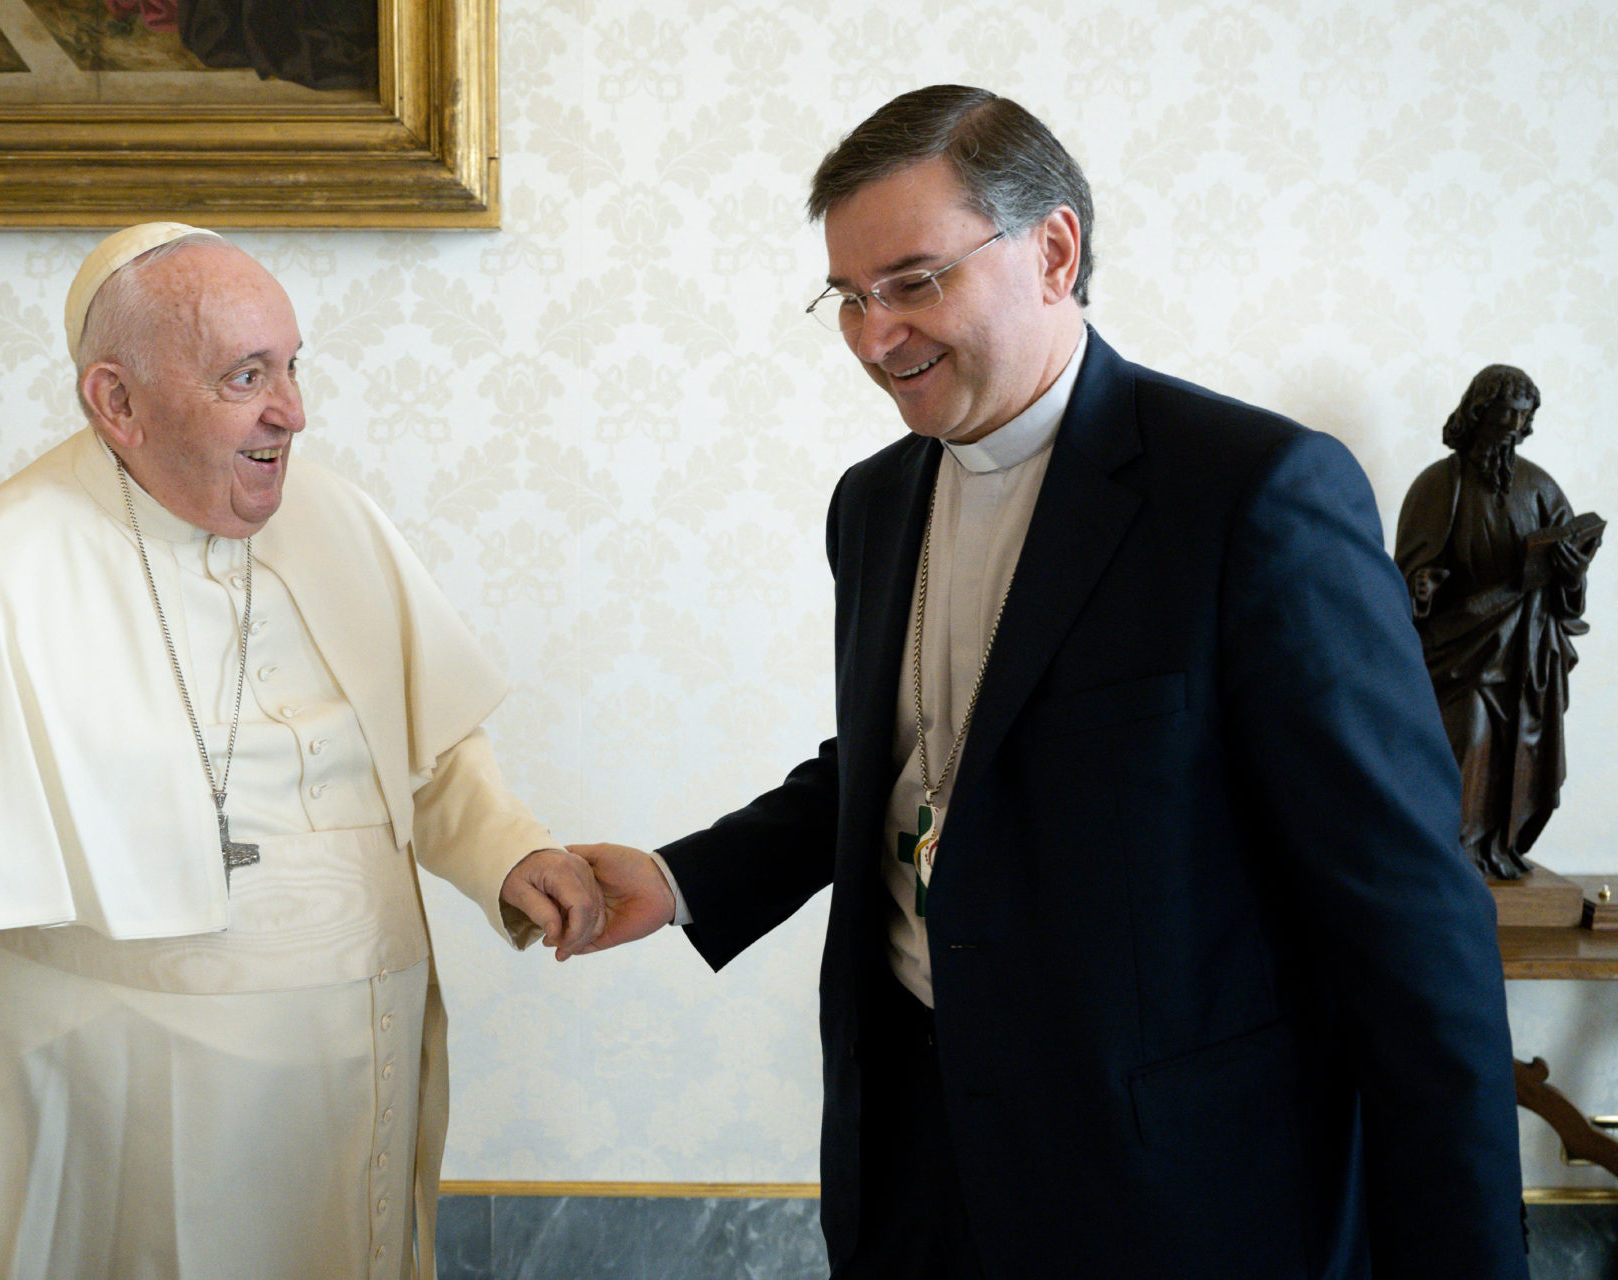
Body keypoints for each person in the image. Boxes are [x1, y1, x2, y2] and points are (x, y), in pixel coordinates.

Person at [574, 87, 1528, 1279]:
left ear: (1054, 252)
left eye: (914, 282)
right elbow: (915, 758)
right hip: (911, 1154)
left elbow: (1410, 924)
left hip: (1167, 1189)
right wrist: (683, 880)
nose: (874, 337)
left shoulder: (1253, 494)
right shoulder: (873, 502)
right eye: (849, 297)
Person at [0, 223, 600, 1280]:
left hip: (360, 1107)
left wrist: (506, 848)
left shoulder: (333, 516)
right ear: (117, 402)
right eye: (246, 376)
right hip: (127, 1152)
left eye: (292, 366)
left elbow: (421, 738)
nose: (293, 410)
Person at [1395, 365, 1600, 879]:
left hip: (1526, 648)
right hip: (1460, 647)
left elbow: (1570, 594)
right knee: (1468, 738)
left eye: (1523, 416)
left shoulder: (1540, 487)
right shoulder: (1440, 484)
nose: (1513, 425)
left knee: (1519, 754)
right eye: (1505, 412)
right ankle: (1453, 855)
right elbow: (1407, 572)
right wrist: (1420, 586)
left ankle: (1497, 849)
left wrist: (1570, 574)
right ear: (1479, 411)